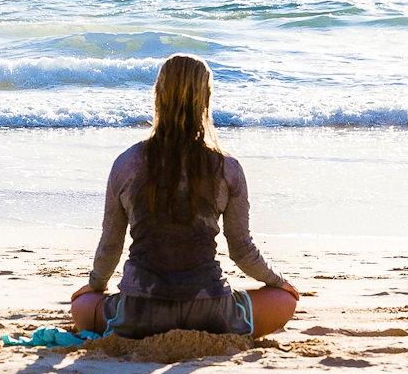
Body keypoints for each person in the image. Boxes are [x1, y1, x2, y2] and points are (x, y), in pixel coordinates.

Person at [68, 54, 301, 339]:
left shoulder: (127, 163)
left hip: (138, 311)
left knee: (81, 305)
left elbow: (110, 245)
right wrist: (278, 282)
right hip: (209, 310)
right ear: (205, 98)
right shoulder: (226, 167)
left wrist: (95, 285)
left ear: (158, 96)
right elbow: (242, 250)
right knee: (285, 300)